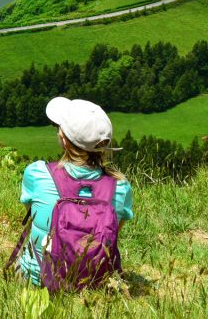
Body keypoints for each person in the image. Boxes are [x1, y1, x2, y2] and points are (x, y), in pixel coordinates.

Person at [14, 97, 134, 288]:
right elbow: (113, 233)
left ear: (64, 140)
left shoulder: (37, 173)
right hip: (95, 284)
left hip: (38, 282)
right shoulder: (120, 187)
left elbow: (33, 212)